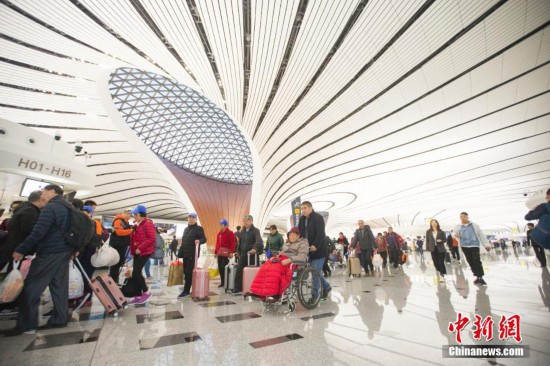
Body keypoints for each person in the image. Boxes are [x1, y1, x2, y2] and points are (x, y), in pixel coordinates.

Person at [10, 185, 75, 335]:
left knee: (31, 287)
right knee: (59, 287)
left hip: (49, 252)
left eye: (44, 192)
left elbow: (38, 232)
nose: (42, 195)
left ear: (52, 192)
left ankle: (27, 324)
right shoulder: (68, 208)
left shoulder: (51, 207)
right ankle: (60, 319)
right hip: (63, 252)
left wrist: (21, 249)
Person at [0, 191, 44, 316]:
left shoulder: (23, 209)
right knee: (15, 279)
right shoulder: (29, 212)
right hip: (20, 251)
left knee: (14, 277)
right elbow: (29, 231)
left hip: (16, 249)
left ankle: (9, 303)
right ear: (39, 199)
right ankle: (8, 304)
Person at [252, 227, 309, 302]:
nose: (291, 236)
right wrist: (275, 257)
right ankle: (259, 291)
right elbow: (281, 253)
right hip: (283, 260)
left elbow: (302, 257)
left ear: (298, 236)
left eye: (294, 235)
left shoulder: (303, 243)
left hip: (294, 263)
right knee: (265, 266)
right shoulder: (286, 244)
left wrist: (289, 260)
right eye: (290, 235)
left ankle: (275, 294)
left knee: (274, 270)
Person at [298, 201, 331, 300]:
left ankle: (314, 296)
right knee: (316, 272)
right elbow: (300, 234)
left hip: (319, 251)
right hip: (308, 251)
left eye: (305, 208)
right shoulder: (301, 219)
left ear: (310, 208)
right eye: (302, 209)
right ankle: (327, 287)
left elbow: (321, 234)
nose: (303, 210)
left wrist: (315, 245)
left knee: (315, 273)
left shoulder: (318, 218)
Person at [454, 212, 489, 286]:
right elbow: (453, 233)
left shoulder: (474, 225)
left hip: (474, 245)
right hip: (464, 246)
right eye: (461, 217)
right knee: (470, 261)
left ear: (467, 217)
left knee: (476, 260)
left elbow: (481, 235)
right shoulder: (458, 226)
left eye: (464, 216)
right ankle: (476, 275)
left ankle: (480, 277)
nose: (462, 218)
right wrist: (455, 235)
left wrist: (486, 244)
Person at [129, 205, 154, 304]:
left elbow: (152, 238)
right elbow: (134, 239)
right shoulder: (137, 224)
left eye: (136, 214)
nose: (134, 216)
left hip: (145, 251)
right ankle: (138, 295)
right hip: (137, 252)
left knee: (136, 272)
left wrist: (140, 248)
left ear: (141, 214)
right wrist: (133, 252)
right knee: (136, 274)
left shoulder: (147, 223)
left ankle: (146, 291)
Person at [232, 215, 263, 295]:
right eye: (244, 220)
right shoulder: (242, 231)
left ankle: (254, 289)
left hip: (252, 256)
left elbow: (258, 241)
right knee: (239, 271)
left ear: (251, 221)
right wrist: (238, 251)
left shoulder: (256, 231)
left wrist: (255, 249)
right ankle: (238, 288)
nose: (245, 222)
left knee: (253, 273)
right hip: (243, 255)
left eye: (247, 220)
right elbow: (240, 242)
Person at [177, 213, 206, 298]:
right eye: (189, 218)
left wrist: (199, 241)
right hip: (185, 254)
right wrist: (180, 253)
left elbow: (204, 239)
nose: (191, 219)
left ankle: (186, 291)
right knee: (186, 272)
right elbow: (183, 242)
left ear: (196, 219)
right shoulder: (186, 229)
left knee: (188, 272)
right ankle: (189, 286)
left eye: (193, 218)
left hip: (193, 254)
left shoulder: (199, 229)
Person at [109, 208, 133, 284]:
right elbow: (119, 232)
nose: (131, 217)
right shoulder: (118, 220)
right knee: (116, 264)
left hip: (122, 245)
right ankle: (113, 281)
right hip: (117, 245)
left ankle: (115, 280)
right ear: (126, 212)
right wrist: (131, 231)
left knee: (119, 263)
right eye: (130, 215)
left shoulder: (125, 221)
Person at [214, 219, 236, 288]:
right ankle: (222, 282)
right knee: (220, 268)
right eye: (220, 224)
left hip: (226, 254)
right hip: (220, 253)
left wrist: (231, 252)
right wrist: (215, 252)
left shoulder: (230, 233)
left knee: (224, 267)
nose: (220, 226)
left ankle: (226, 281)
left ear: (226, 225)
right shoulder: (219, 233)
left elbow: (233, 243)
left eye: (222, 224)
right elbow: (217, 243)